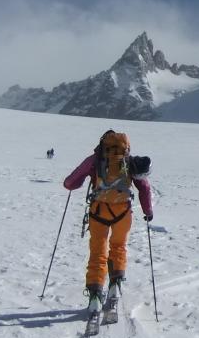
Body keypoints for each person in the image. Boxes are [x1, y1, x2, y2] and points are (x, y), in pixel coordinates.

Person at [63, 130, 153, 313]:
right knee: (118, 247)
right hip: (123, 213)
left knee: (98, 252)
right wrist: (148, 211)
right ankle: (114, 287)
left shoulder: (95, 160)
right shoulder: (131, 161)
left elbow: (70, 183)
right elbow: (144, 187)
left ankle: (95, 296)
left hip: (98, 212)